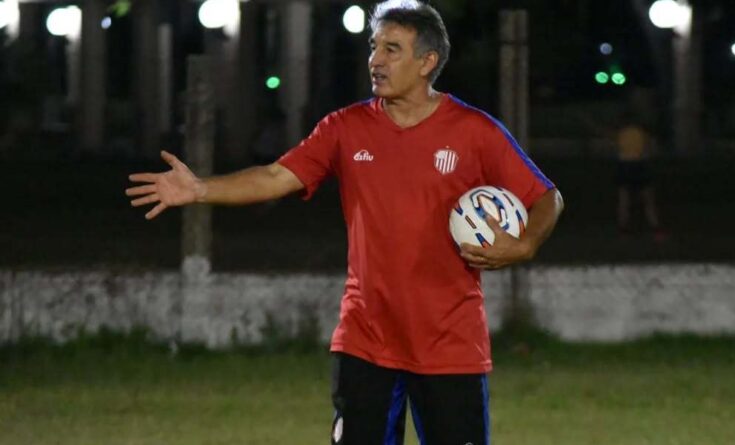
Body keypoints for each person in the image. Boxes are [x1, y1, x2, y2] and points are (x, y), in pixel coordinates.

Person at [126, 1, 563, 444]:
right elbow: (278, 175)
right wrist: (200, 189)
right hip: (364, 341)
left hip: (450, 346)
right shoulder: (345, 128)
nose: (376, 60)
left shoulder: (475, 132)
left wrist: (524, 244)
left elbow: (547, 197)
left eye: (393, 49)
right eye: (375, 47)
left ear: (427, 62)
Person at [614, 114, 666, 241]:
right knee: (648, 200)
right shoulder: (642, 133)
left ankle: (623, 230)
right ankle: (655, 229)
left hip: (626, 166)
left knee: (624, 199)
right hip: (639, 166)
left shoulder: (622, 133)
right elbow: (650, 149)